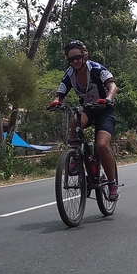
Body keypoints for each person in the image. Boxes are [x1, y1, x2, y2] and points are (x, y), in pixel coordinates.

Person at [48, 40, 120, 201]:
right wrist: (56, 101)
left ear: (84, 56)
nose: (75, 62)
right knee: (75, 121)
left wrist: (108, 98)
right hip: (88, 109)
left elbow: (112, 86)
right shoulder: (69, 74)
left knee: (101, 146)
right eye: (71, 59)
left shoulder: (96, 69)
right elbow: (61, 93)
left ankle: (112, 183)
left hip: (104, 110)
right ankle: (75, 156)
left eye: (78, 58)